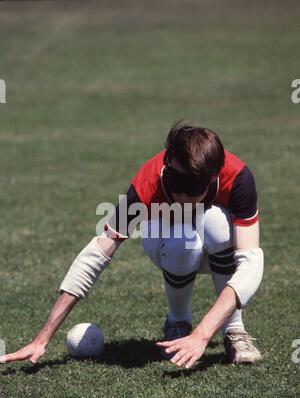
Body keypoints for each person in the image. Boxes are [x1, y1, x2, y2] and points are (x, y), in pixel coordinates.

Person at [0, 123, 264, 369]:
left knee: (218, 223)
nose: (181, 195)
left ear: (212, 177)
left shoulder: (238, 178)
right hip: (165, 241)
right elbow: (95, 256)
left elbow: (251, 265)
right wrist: (41, 339)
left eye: (192, 187)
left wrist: (204, 334)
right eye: (175, 183)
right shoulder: (147, 184)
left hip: (218, 247)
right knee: (181, 239)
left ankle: (234, 330)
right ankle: (178, 323)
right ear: (167, 162)